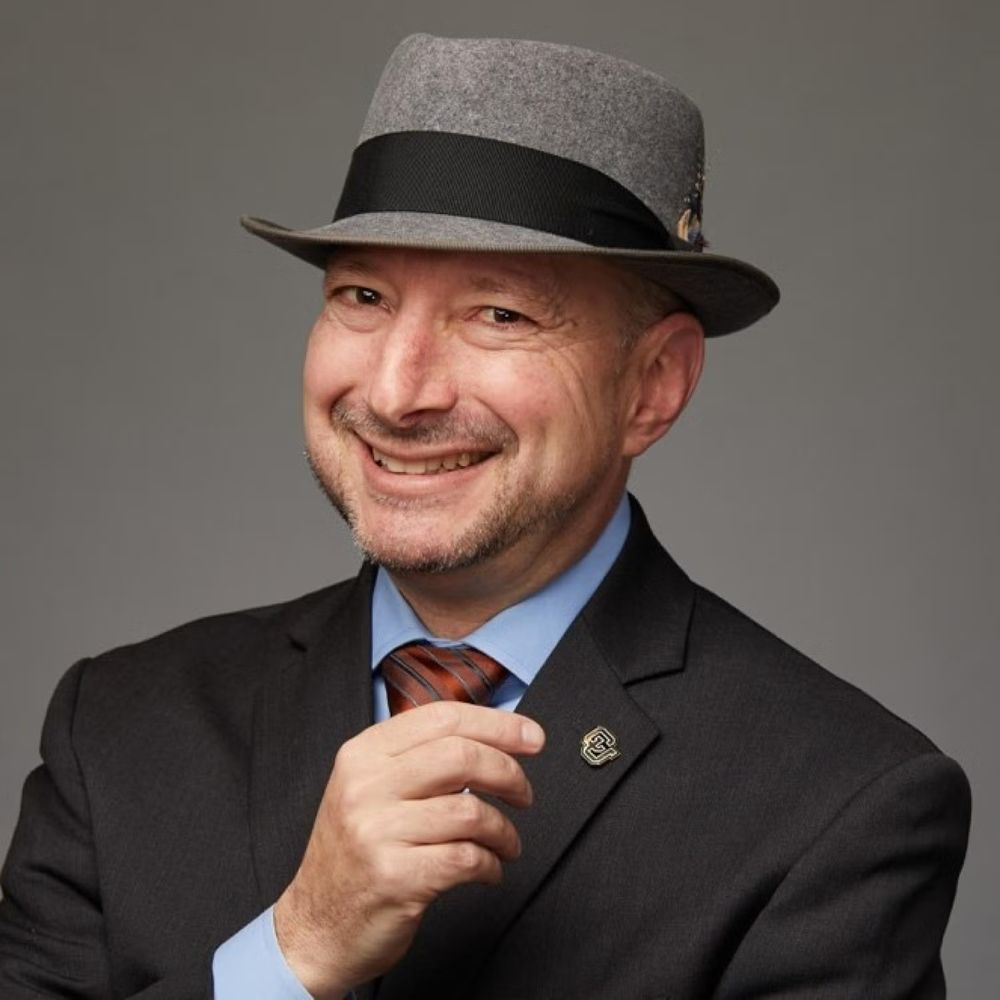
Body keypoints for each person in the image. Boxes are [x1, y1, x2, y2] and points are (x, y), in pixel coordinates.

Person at [0, 33, 970, 1000]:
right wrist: (291, 956)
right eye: (363, 295)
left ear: (653, 384)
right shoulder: (118, 730)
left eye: (499, 314)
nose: (396, 392)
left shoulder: (839, 806)